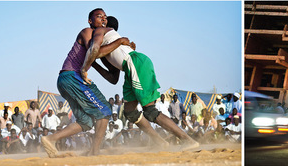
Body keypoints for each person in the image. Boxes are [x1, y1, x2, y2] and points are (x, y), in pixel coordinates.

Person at [81, 13, 199, 149]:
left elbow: (95, 50)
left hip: (136, 64)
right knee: (130, 112)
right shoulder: (108, 48)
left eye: (104, 18)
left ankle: (187, 140)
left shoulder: (101, 31)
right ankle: (160, 142)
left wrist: (87, 63)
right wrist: (93, 63)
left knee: (150, 111)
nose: (102, 21)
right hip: (130, 68)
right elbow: (113, 78)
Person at [40, 8, 125, 158]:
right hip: (71, 76)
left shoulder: (97, 38)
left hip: (67, 80)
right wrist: (119, 42)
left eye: (105, 18)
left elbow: (113, 78)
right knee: (104, 109)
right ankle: (94, 151)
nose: (103, 20)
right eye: (99, 17)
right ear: (90, 21)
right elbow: (93, 50)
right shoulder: (87, 31)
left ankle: (50, 139)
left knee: (86, 121)